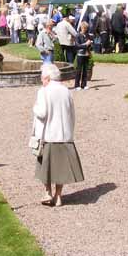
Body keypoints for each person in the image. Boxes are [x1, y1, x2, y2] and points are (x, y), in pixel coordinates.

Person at [32, 64, 84, 207]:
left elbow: (41, 113)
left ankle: (48, 192)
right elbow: (71, 113)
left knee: (45, 167)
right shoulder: (66, 90)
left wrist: (34, 107)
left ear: (47, 78)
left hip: (49, 134)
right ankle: (59, 196)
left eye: (42, 77)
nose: (41, 80)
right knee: (60, 167)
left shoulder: (44, 91)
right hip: (64, 134)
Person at [73, 21, 93, 90]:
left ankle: (84, 84)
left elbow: (89, 45)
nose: (85, 29)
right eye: (84, 28)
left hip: (86, 54)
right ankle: (76, 85)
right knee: (79, 70)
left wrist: (90, 45)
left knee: (85, 70)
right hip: (80, 54)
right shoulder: (78, 35)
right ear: (81, 28)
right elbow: (77, 46)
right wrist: (86, 44)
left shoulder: (87, 35)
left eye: (86, 28)